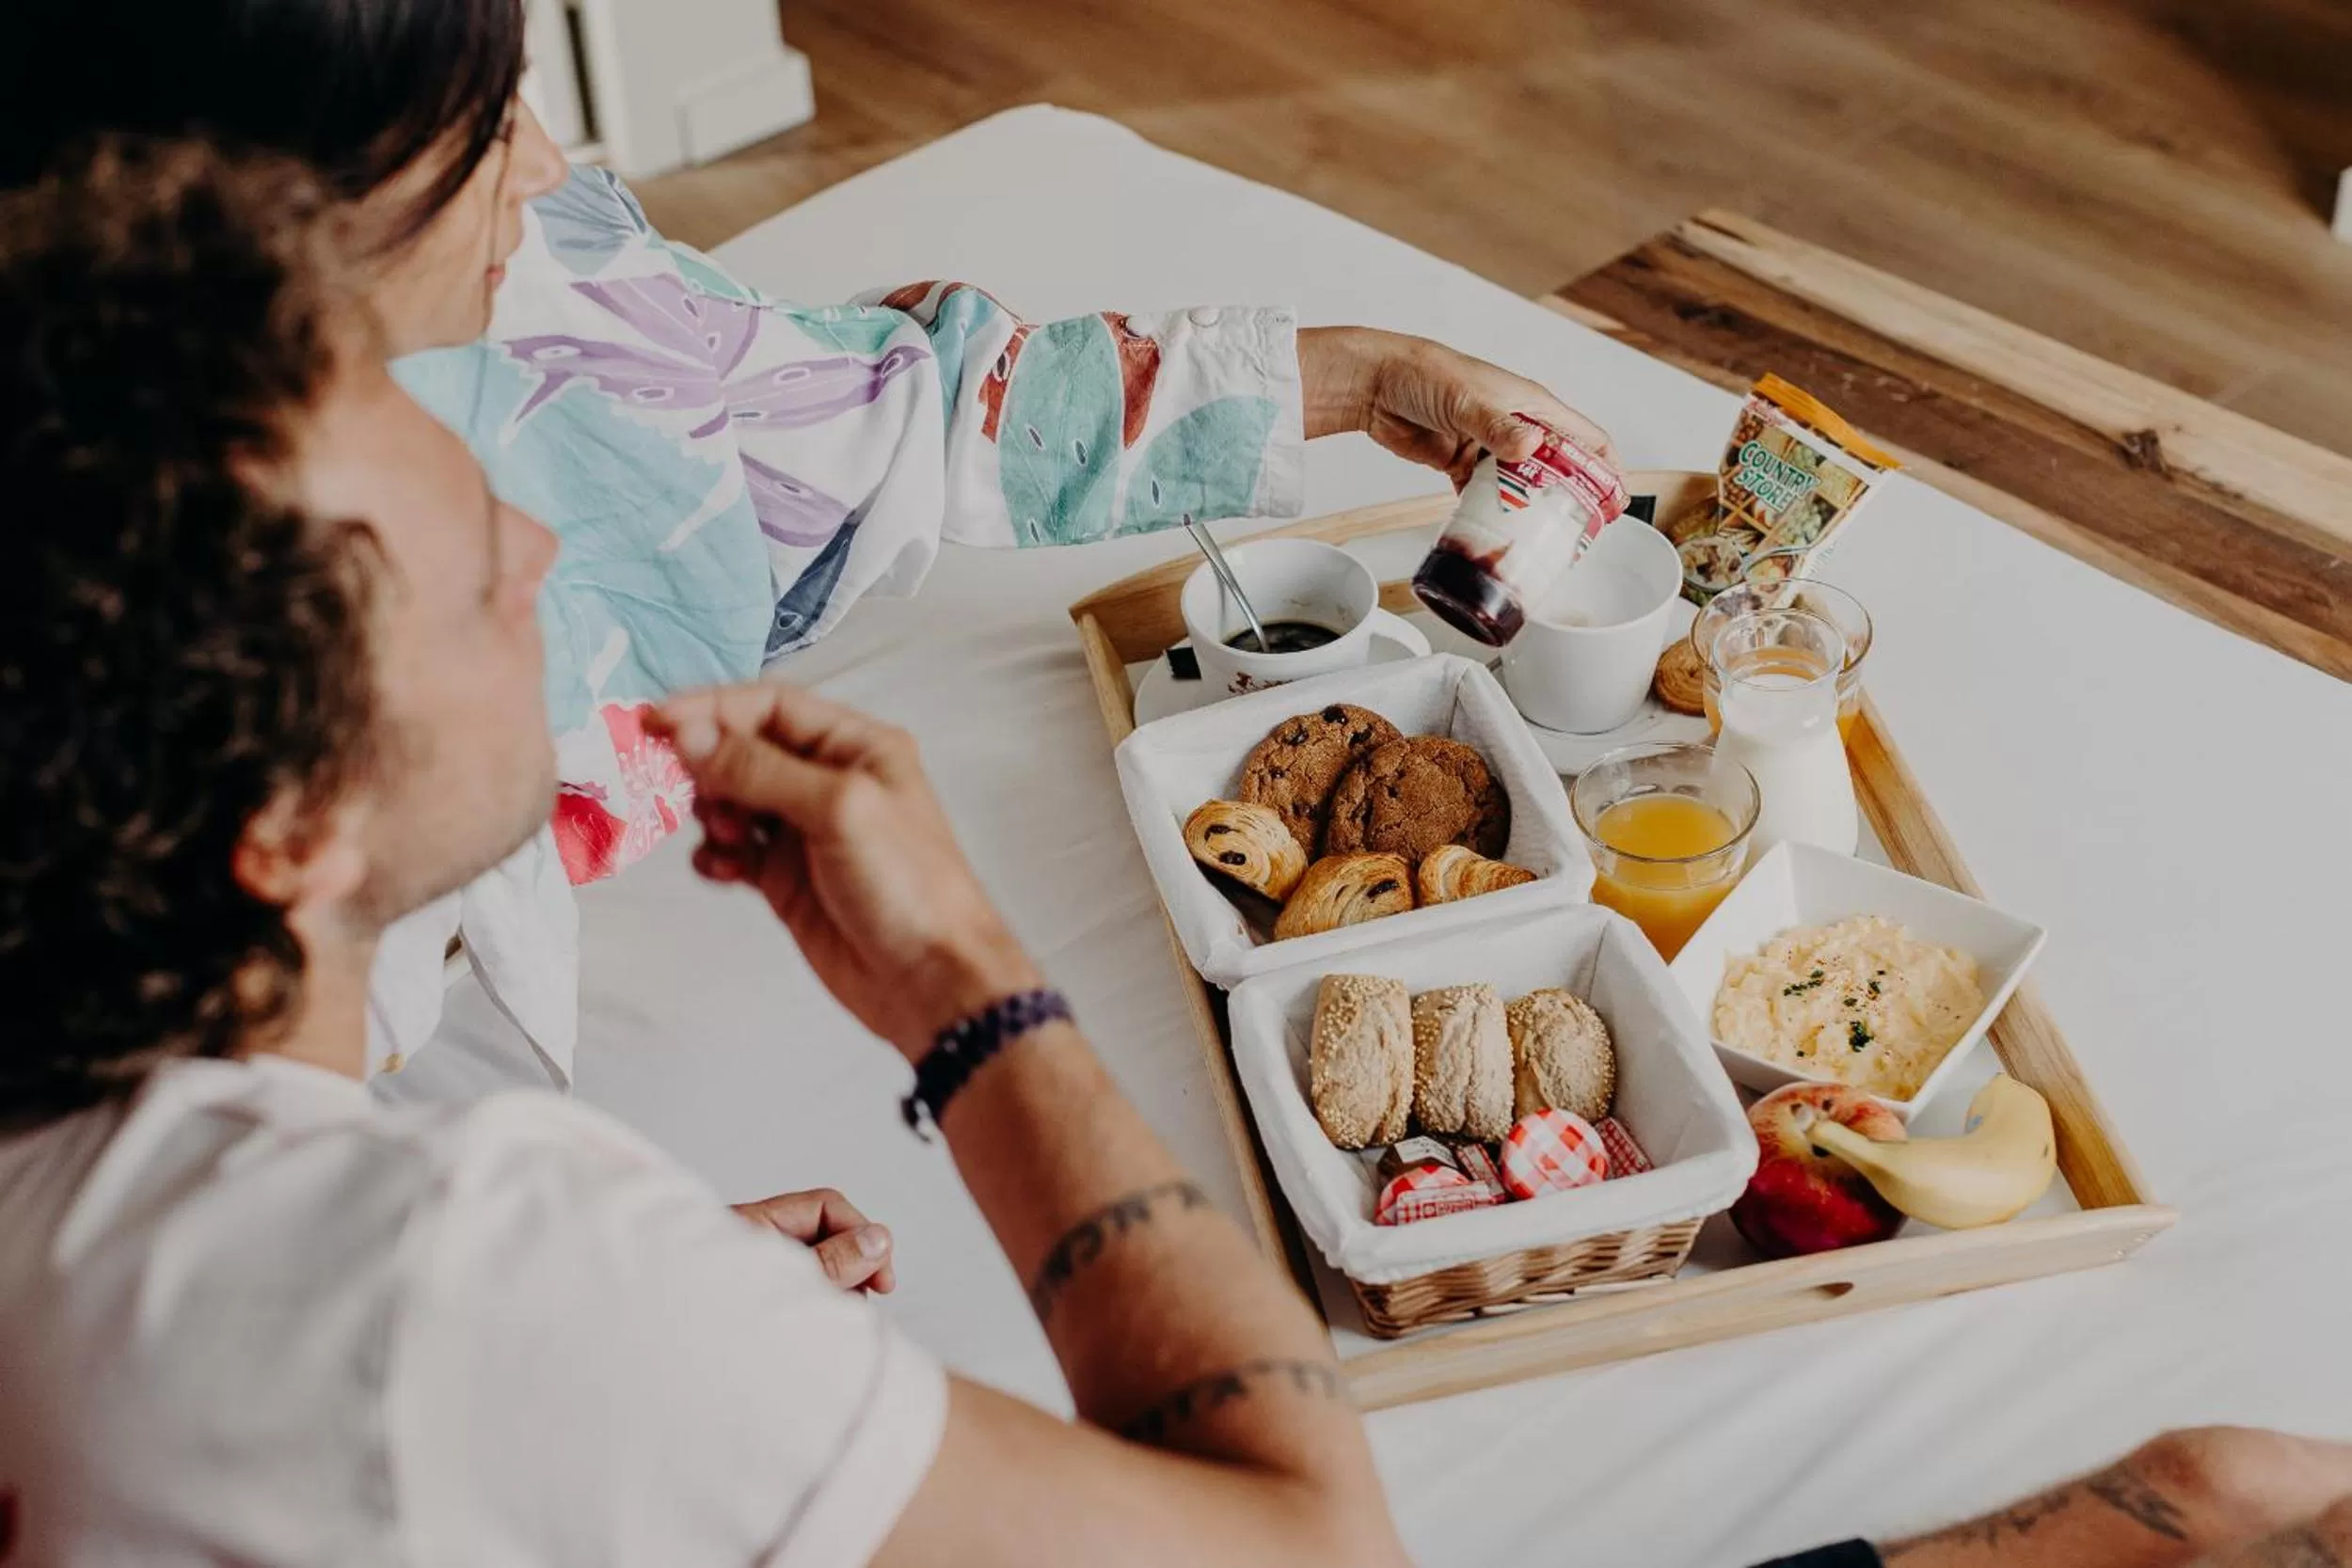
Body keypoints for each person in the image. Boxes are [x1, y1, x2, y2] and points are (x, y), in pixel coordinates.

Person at [2, 139, 2349, 1568]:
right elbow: (1302, 1541)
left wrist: (612, 1314)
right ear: (279, 820)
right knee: (2210, 1487)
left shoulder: (120, 1178)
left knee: (2214, 1480)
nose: (554, 537)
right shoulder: (456, 1281)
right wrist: (967, 994)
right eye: (472, 554)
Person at [0, 0, 1622, 1091]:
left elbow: (858, 410)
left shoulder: (541, 276)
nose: (554, 169)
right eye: (480, 139)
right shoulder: (161, 701)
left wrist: (1338, 373)